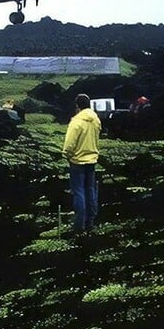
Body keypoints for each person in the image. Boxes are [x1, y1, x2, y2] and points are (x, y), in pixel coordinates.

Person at [62, 93, 101, 236]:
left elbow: (69, 143)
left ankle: (79, 225)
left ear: (77, 106)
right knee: (90, 190)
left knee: (78, 192)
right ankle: (90, 222)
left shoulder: (76, 121)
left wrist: (66, 155)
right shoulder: (95, 119)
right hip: (92, 160)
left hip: (77, 161)